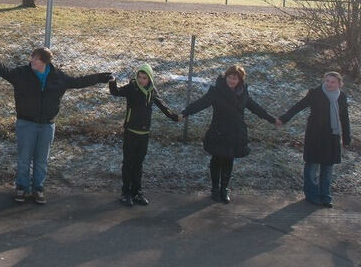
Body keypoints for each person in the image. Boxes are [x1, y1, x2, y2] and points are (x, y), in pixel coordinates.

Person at [0, 44, 112, 204]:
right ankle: (22, 187)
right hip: (26, 123)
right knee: (24, 158)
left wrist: (99, 78)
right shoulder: (22, 73)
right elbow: (2, 70)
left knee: (41, 160)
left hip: (47, 125)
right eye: (32, 58)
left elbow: (78, 82)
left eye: (35, 59)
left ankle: (38, 188)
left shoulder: (58, 77)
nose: (32, 61)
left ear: (45, 62)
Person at [180, 64, 277, 203]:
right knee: (217, 159)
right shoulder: (216, 91)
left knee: (229, 160)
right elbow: (200, 103)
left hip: (235, 132)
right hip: (219, 131)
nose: (232, 81)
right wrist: (184, 113)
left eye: (235, 79)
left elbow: (256, 108)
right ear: (226, 77)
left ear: (240, 81)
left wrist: (272, 119)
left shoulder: (243, 93)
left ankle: (224, 189)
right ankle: (215, 188)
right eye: (230, 77)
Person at [108, 63, 180, 206]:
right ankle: (126, 193)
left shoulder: (152, 91)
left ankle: (137, 192)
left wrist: (175, 116)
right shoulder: (132, 88)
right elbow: (115, 92)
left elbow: (162, 105)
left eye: (145, 78)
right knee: (128, 163)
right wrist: (112, 81)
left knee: (138, 164)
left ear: (150, 79)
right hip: (131, 131)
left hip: (144, 132)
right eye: (140, 77)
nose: (142, 80)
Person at [277, 71, 352, 208]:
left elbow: (344, 118)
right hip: (315, 135)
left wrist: (347, 138)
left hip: (332, 136)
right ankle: (312, 195)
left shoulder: (342, 97)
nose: (329, 84)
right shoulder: (315, 93)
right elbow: (299, 106)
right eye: (327, 81)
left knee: (327, 168)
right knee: (312, 165)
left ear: (339, 84)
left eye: (333, 82)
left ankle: (325, 196)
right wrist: (284, 118)